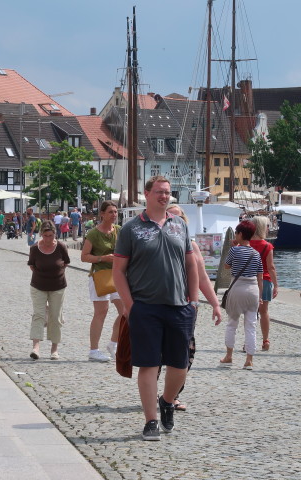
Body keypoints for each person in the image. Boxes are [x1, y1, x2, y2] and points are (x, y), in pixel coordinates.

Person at [112, 176, 199, 441]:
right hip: (146, 307)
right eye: (159, 192)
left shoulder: (180, 227)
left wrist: (193, 301)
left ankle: (167, 400)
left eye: (168, 193)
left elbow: (191, 264)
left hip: (179, 306)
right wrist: (130, 306)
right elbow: (118, 271)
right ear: (146, 194)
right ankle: (150, 421)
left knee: (179, 364)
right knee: (148, 365)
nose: (164, 196)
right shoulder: (131, 229)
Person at [161, 205, 223, 411]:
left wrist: (215, 303)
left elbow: (203, 278)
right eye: (171, 218)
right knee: (157, 353)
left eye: (179, 218)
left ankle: (172, 395)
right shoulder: (156, 243)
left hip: (186, 307)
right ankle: (153, 394)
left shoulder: (193, 247)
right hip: (160, 304)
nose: (175, 223)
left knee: (185, 352)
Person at [81, 201, 123, 362]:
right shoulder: (93, 234)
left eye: (116, 212)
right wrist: (102, 258)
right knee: (101, 312)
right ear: (102, 214)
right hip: (99, 276)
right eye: (111, 212)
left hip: (118, 275)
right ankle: (93, 350)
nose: (114, 215)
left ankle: (113, 343)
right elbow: (84, 257)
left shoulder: (119, 231)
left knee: (126, 312)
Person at [219, 220, 263, 370]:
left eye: (236, 233)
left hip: (237, 288)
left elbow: (226, 266)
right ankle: (249, 360)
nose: (235, 235)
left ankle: (229, 356)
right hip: (253, 290)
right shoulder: (256, 254)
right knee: (251, 326)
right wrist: (261, 296)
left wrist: (233, 248)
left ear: (240, 234)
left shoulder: (234, 250)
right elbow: (260, 276)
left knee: (232, 323)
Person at [28, 220, 70, 360]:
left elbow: (66, 263)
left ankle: (54, 349)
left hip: (58, 286)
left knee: (55, 316)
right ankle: (36, 347)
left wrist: (56, 272)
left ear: (55, 235)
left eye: (51, 235)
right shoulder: (34, 248)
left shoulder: (61, 247)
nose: (48, 239)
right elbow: (32, 266)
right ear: (41, 235)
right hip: (38, 286)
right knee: (38, 315)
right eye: (45, 236)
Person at [250, 216, 278, 351]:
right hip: (265, 281)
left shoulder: (245, 244)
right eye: (267, 226)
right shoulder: (267, 246)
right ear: (262, 228)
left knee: (250, 313)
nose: (268, 228)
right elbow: (271, 267)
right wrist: (276, 285)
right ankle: (265, 340)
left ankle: (249, 342)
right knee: (264, 312)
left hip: (248, 281)